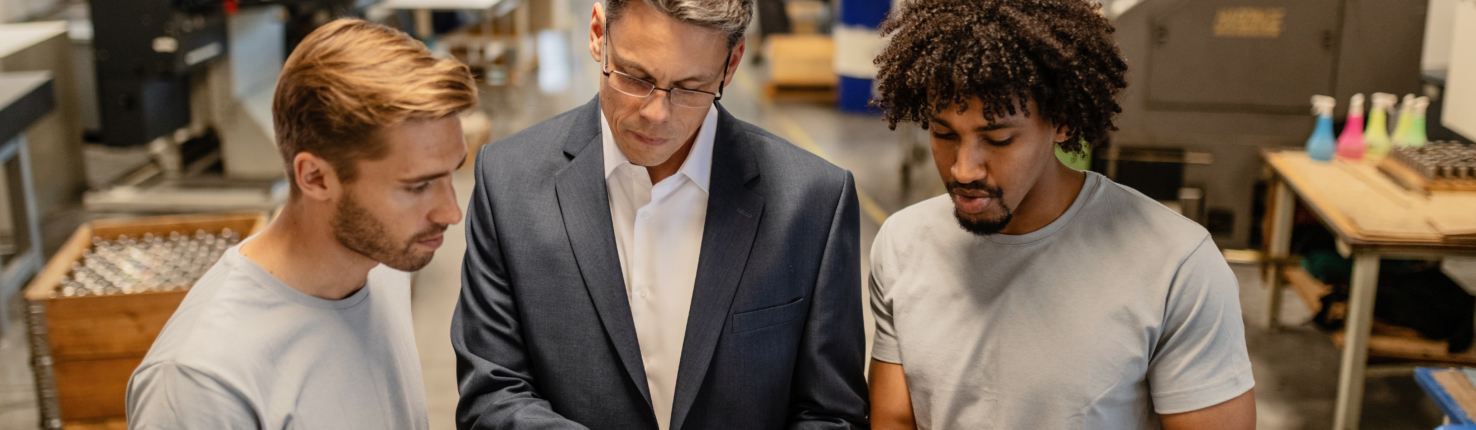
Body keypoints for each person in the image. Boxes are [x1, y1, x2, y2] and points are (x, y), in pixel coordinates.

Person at [449, 0, 869, 428]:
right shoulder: (508, 184)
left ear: (731, 63)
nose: (656, 113)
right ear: (598, 33)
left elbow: (830, 413)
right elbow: (493, 394)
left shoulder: (812, 201)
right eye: (636, 77)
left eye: (690, 87)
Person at [865, 0, 1256, 428]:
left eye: (998, 139)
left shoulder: (1178, 265)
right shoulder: (903, 243)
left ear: (1062, 122)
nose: (963, 169)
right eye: (943, 134)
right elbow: (895, 420)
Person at [125, 18, 475, 429]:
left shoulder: (379, 264)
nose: (451, 213)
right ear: (315, 177)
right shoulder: (202, 382)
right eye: (418, 187)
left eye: (450, 174)